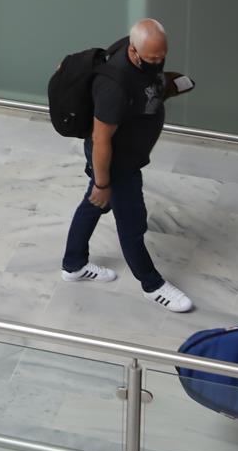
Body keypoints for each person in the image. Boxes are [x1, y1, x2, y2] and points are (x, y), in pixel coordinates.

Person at [59, 19, 195, 312]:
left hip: (128, 157)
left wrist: (168, 86)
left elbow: (146, 86)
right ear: (133, 52)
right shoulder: (114, 86)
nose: (157, 63)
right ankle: (152, 285)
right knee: (131, 223)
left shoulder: (136, 54)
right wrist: (103, 183)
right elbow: (100, 139)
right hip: (117, 162)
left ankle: (73, 265)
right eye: (152, 59)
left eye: (162, 57)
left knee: (95, 204)